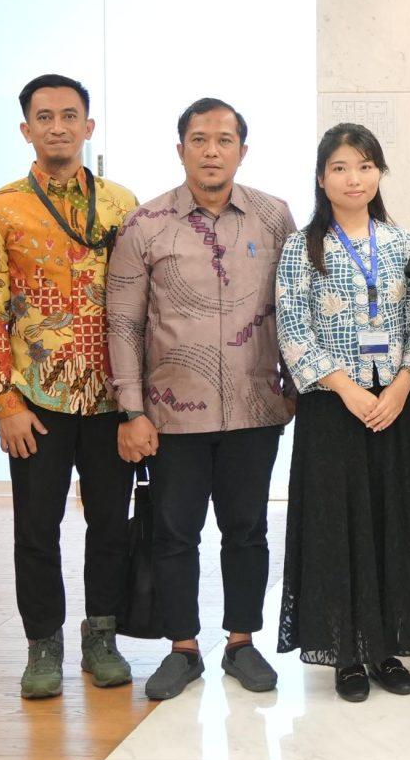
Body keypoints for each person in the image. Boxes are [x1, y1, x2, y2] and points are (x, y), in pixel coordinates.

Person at [106, 98, 297, 703]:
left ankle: (241, 642)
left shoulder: (274, 217)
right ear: (180, 148)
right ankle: (182, 648)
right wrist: (132, 411)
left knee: (248, 531)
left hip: (255, 407)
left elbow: (295, 306)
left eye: (223, 140)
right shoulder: (145, 224)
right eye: (199, 139)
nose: (211, 151)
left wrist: (298, 388)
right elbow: (122, 324)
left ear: (243, 149)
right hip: (171, 413)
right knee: (173, 533)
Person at [0, 73, 140, 700]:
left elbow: (139, 306)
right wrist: (3, 402)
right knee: (36, 529)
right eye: (45, 117)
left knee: (111, 524)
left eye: (70, 116)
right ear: (26, 129)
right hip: (36, 399)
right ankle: (42, 643)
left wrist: (138, 404)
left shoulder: (122, 205)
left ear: (89, 126)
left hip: (110, 397)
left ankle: (103, 635)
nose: (58, 127)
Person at [274, 123, 410, 703]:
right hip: (332, 408)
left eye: (365, 166)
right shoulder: (301, 247)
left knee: (391, 524)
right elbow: (292, 328)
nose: (354, 178)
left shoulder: (402, 243)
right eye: (341, 167)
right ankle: (345, 653)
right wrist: (347, 390)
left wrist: (400, 387)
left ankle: (386, 647)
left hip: (393, 406)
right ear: (322, 178)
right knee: (337, 528)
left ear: (379, 174)